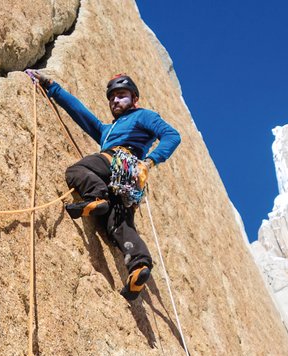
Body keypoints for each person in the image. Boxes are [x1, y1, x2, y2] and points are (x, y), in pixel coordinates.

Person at [27, 71, 181, 301]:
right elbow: (81, 114)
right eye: (112, 98)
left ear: (134, 98)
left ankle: (97, 197)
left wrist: (149, 162)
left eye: (121, 95)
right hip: (124, 181)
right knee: (119, 225)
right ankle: (139, 266)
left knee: (77, 171)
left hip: (119, 162)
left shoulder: (142, 116)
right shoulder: (106, 130)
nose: (115, 101)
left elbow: (172, 135)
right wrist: (51, 87)